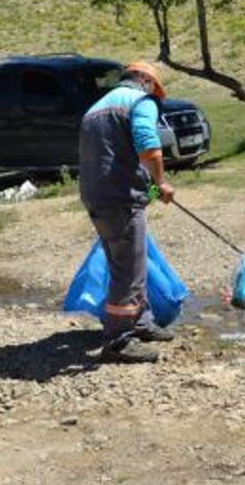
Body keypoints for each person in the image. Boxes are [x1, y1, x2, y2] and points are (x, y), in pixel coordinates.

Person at [78, 61, 176, 364]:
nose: (154, 95)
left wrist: (150, 190)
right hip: (120, 199)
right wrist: (161, 182)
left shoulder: (97, 107)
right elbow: (149, 147)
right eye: (153, 88)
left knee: (127, 261)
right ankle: (118, 341)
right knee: (128, 270)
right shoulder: (139, 101)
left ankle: (142, 322)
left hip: (97, 196)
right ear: (144, 80)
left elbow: (116, 158)